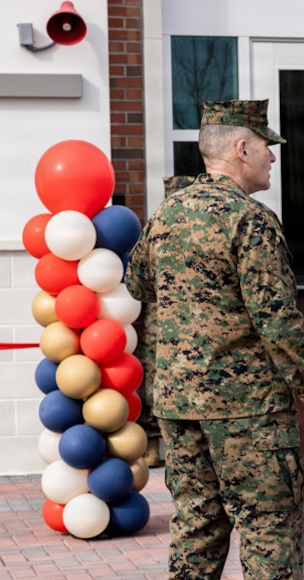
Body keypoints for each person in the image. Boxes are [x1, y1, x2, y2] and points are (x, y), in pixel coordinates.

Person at [127, 99, 304, 580]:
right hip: (246, 404)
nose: (273, 157)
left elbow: (139, 283)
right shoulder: (250, 219)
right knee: (270, 522)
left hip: (178, 398)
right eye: (266, 146)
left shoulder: (168, 212)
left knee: (197, 519)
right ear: (240, 149)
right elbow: (278, 320)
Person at [133, 174, 195, 469]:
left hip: (194, 323)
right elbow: (138, 278)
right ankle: (153, 442)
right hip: (159, 320)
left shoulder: (202, 232)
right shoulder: (155, 232)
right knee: (152, 379)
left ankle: (181, 448)